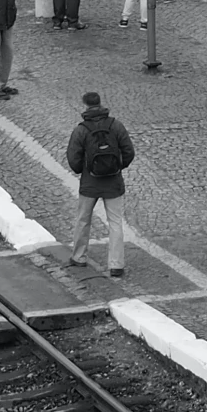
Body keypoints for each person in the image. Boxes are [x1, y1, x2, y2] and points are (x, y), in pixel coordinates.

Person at [65, 92, 135, 278]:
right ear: (101, 104)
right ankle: (116, 265)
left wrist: (84, 170)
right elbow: (128, 151)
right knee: (115, 222)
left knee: (83, 219)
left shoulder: (81, 130)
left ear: (85, 105)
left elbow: (73, 158)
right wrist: (118, 167)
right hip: (114, 183)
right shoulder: (116, 126)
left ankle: (79, 257)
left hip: (90, 184)